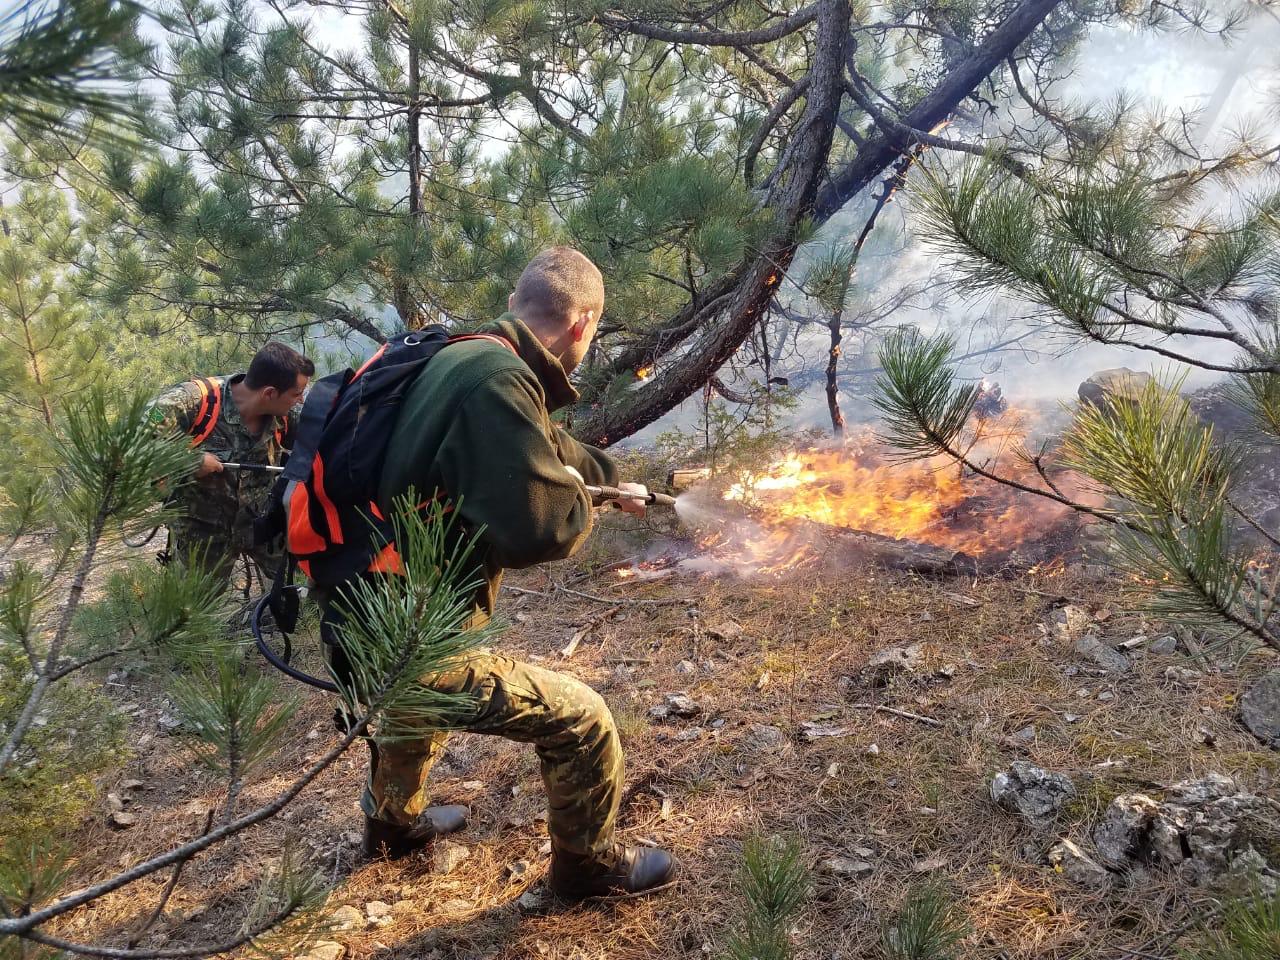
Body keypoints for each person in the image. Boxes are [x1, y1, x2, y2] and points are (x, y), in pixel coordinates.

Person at [358, 247, 676, 900]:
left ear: (515, 306)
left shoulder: (465, 357)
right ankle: (588, 871)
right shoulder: (500, 382)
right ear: (584, 325)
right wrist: (582, 510)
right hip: (415, 622)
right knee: (583, 722)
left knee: (410, 710)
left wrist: (614, 484)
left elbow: (549, 449)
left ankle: (391, 828)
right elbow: (537, 530)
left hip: (375, 602)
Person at [148, 341, 314, 585]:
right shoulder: (191, 401)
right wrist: (188, 460)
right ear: (269, 393)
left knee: (303, 582)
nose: (300, 401)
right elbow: (132, 439)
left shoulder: (285, 415)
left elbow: (322, 436)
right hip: (202, 535)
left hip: (262, 525)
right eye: (296, 394)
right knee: (194, 609)